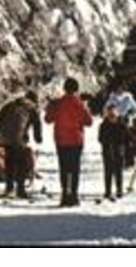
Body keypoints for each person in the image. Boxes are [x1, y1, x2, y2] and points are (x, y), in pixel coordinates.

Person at [44, 76, 94, 207]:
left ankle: (65, 195)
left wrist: (50, 106)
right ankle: (74, 195)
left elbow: (48, 119)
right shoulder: (79, 103)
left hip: (61, 140)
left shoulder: (58, 103)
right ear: (76, 89)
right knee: (74, 168)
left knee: (64, 168)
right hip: (76, 140)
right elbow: (89, 121)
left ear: (64, 89)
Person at [0, 92, 41, 199]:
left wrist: (0, 131)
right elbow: (37, 125)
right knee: (22, 164)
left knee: (9, 162)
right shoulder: (31, 108)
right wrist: (38, 138)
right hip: (18, 138)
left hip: (6, 137)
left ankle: (9, 188)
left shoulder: (11, 104)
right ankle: (21, 190)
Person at [97, 103, 128, 201]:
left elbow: (126, 136)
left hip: (118, 150)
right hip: (107, 150)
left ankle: (119, 189)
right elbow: (100, 138)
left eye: (113, 114)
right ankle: (108, 190)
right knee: (108, 171)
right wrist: (106, 142)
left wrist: (124, 144)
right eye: (110, 114)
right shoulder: (103, 125)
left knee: (118, 171)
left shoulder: (121, 124)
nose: (112, 116)